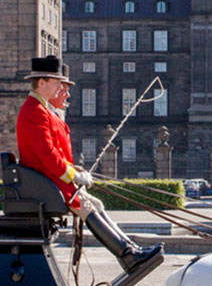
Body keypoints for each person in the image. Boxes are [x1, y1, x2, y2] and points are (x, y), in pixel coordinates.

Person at [17, 55, 163, 284]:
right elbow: (47, 155)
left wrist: (74, 171)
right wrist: (75, 175)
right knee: (86, 206)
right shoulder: (35, 110)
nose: (60, 87)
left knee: (96, 204)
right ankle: (129, 256)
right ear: (42, 82)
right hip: (47, 184)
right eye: (56, 82)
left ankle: (130, 251)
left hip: (50, 181)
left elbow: (53, 155)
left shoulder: (41, 109)